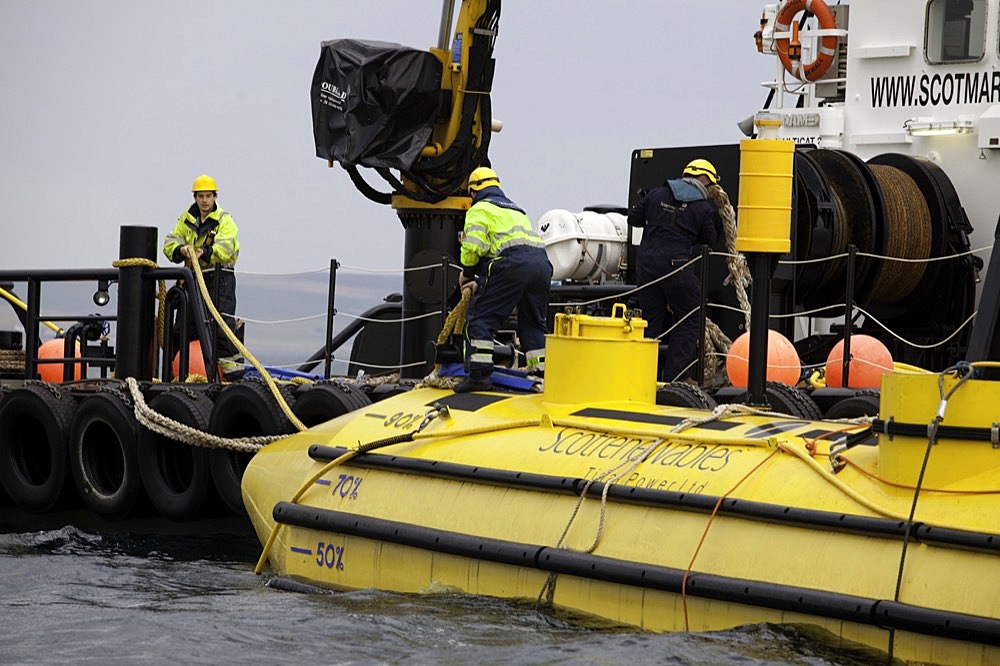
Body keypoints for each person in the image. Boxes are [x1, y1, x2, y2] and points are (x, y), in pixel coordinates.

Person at [455, 166, 553, 393]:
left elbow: (473, 247)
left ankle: (479, 376)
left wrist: (467, 274)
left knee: (480, 319)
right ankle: (541, 375)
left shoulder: (479, 209)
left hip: (512, 264)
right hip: (541, 265)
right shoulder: (516, 209)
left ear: (472, 192)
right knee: (533, 323)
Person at [627, 158, 722, 383]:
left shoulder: (656, 194)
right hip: (676, 267)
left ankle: (643, 376)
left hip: (646, 265)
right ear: (702, 179)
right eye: (711, 185)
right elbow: (709, 240)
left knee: (651, 322)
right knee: (689, 319)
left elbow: (634, 218)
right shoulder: (702, 208)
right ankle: (676, 380)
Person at [163, 174, 242, 378]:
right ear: (195, 197)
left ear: (215, 197)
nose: (205, 200)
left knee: (221, 324)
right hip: (191, 280)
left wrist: (204, 252)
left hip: (219, 280)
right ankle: (174, 371)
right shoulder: (186, 219)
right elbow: (169, 242)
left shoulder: (224, 220)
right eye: (201, 196)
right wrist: (180, 250)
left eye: (208, 196)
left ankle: (232, 374)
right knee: (183, 328)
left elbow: (226, 246)